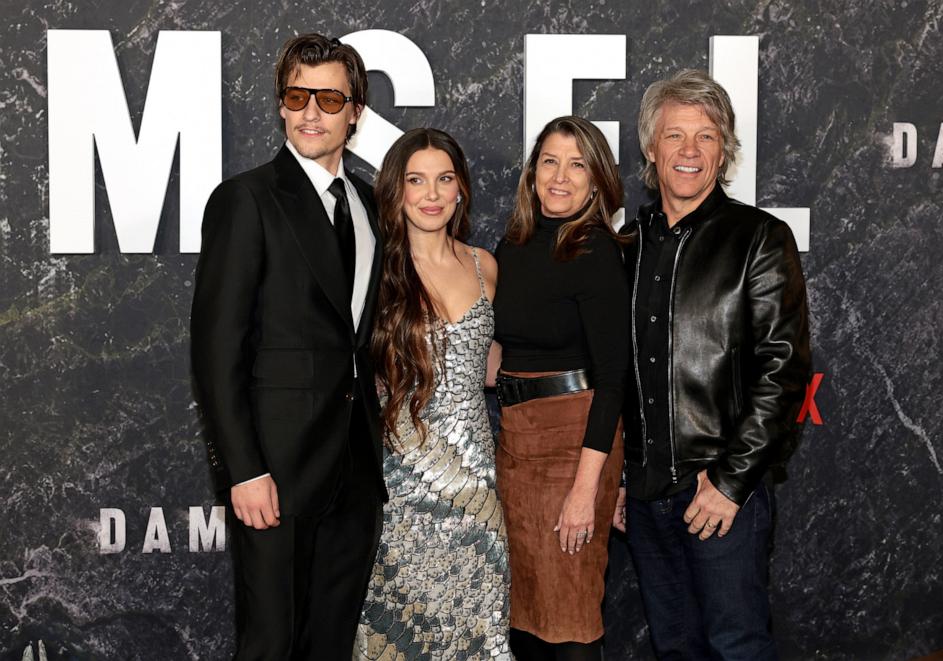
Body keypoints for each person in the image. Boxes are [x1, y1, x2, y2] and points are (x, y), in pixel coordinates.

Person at [190, 34, 385, 659]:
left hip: (353, 472)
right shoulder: (246, 199)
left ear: (355, 111)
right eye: (297, 95)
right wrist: (243, 469)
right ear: (280, 104)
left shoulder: (368, 203)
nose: (310, 112)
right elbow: (217, 352)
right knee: (270, 645)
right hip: (275, 471)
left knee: (329, 645)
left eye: (329, 99)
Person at [616, 69, 812, 660]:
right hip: (647, 497)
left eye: (706, 136)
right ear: (651, 148)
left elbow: (783, 374)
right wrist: (622, 477)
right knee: (676, 649)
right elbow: (614, 371)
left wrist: (729, 483)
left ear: (723, 149)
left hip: (723, 492)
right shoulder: (627, 244)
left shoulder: (759, 237)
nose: (690, 151)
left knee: (737, 648)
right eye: (676, 136)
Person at [352, 127, 510, 659]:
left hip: (476, 489)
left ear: (461, 188)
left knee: (477, 629)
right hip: (401, 487)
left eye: (444, 179)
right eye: (416, 180)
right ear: (396, 191)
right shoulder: (374, 270)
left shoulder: (485, 266)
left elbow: (485, 362)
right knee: (399, 632)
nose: (432, 194)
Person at [493, 116, 629, 660]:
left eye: (578, 165)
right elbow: (503, 351)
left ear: (597, 182)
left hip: (574, 443)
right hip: (514, 442)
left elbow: (613, 379)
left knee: (569, 616)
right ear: (532, 173)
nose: (561, 177)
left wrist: (585, 492)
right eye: (550, 161)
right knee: (525, 617)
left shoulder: (595, 251)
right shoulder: (514, 245)